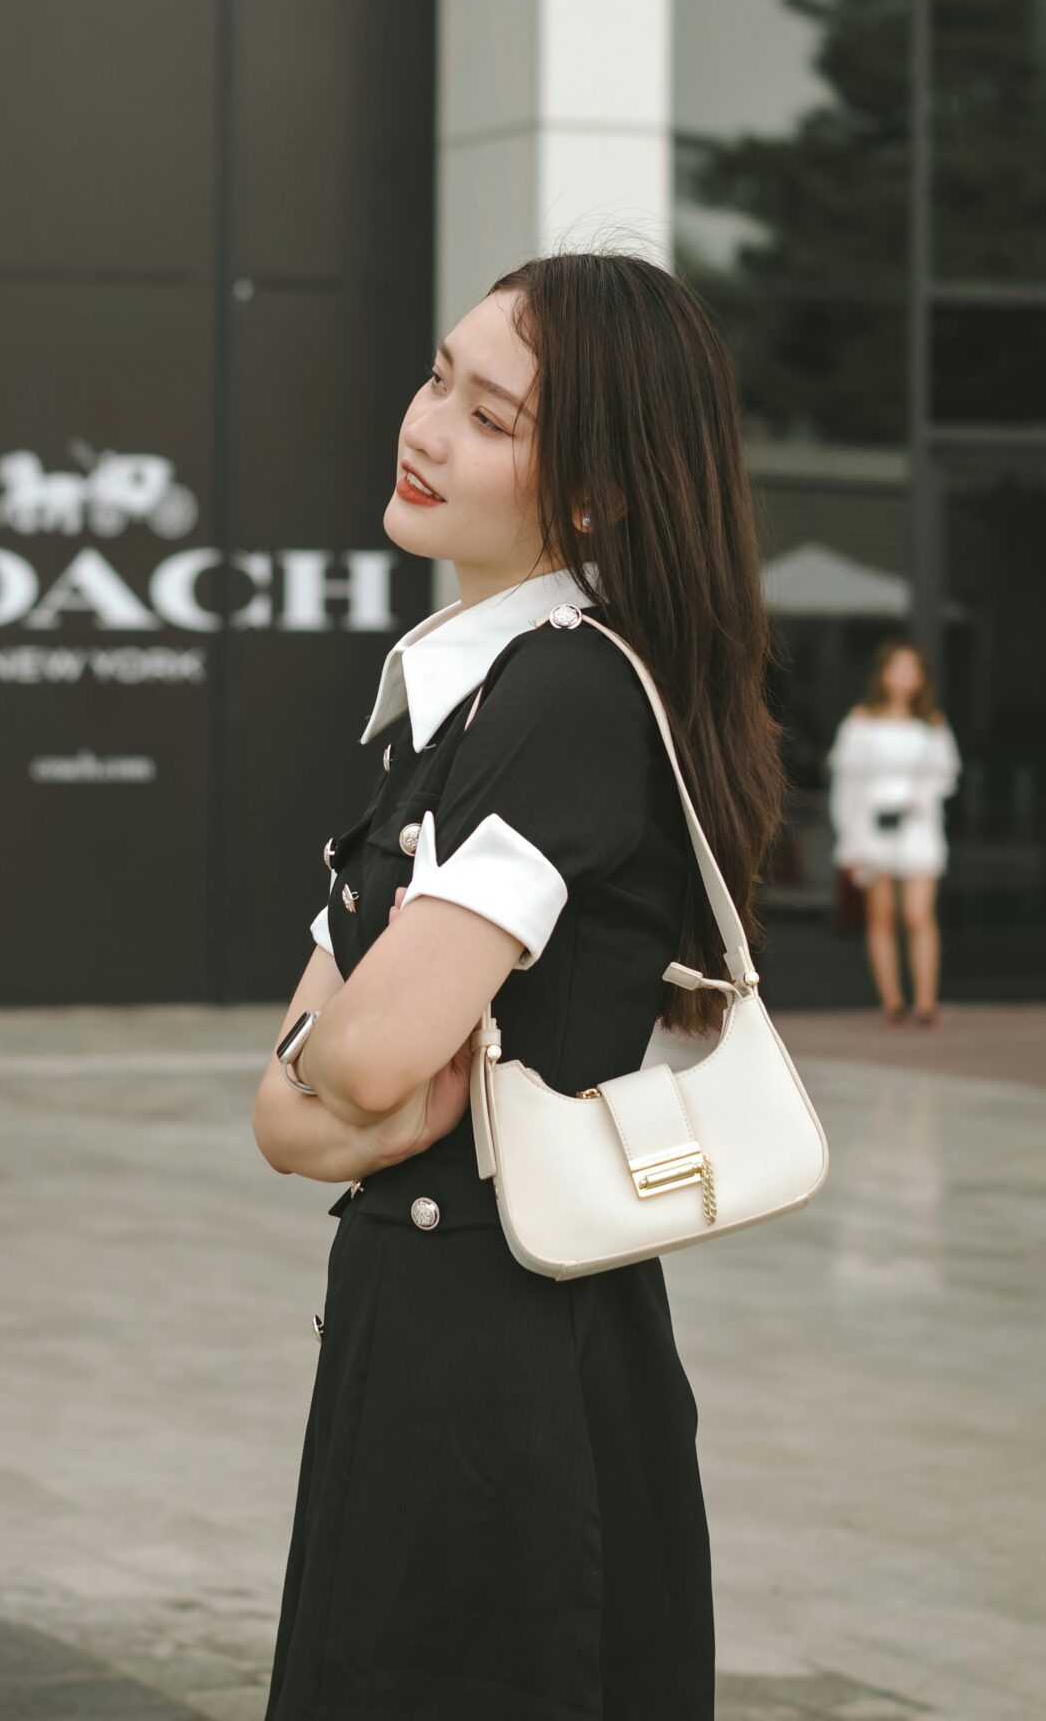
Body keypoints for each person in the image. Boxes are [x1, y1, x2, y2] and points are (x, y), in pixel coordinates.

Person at [250, 253, 783, 1721]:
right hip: (432, 1332)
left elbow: (357, 1066)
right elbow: (289, 1112)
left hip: (506, 1370)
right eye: (437, 378)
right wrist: (328, 1071)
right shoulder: (460, 698)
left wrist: (329, 1069)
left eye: (487, 417)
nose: (424, 428)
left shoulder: (563, 697)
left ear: (597, 494)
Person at [826, 642, 961, 1027]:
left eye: (912, 668)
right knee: (880, 916)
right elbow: (847, 786)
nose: (904, 676)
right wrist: (850, 843)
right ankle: (892, 1002)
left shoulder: (932, 723)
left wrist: (916, 799)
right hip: (872, 826)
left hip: (918, 825)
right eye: (897, 668)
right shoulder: (860, 721)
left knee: (919, 914)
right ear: (882, 674)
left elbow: (943, 777)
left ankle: (926, 1001)